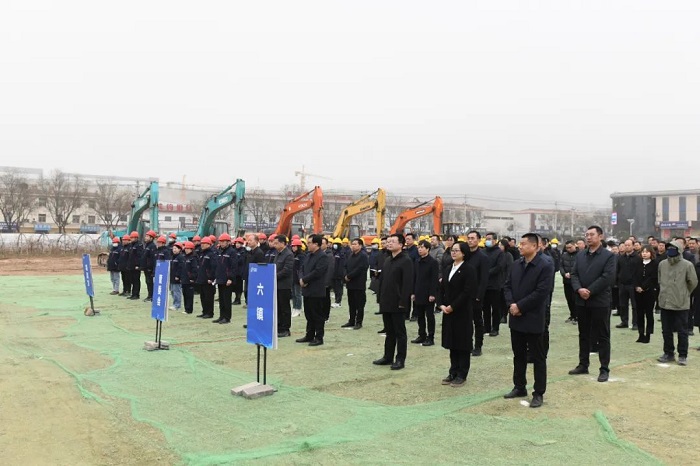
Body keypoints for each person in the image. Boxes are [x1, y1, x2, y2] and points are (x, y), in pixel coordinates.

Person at [503, 233, 554, 408]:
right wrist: (511, 305)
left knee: (538, 357)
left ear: (535, 246)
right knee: (518, 355)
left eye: (524, 244)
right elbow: (507, 286)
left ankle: (538, 392)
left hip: (533, 317)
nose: (520, 246)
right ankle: (519, 386)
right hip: (516, 317)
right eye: (520, 243)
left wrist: (520, 306)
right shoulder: (516, 264)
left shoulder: (545, 265)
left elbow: (541, 292)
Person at [569, 226, 616, 382]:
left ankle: (604, 368)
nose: (588, 237)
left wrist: (590, 290)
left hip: (600, 301)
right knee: (583, 334)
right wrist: (579, 289)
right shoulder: (581, 255)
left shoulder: (609, 256)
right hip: (582, 301)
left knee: (603, 335)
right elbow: (574, 274)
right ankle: (583, 364)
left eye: (592, 235)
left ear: (600, 236)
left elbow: (607, 277)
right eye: (587, 235)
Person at [439, 241, 477, 387]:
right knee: (452, 342)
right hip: (448, 311)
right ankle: (453, 371)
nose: (453, 253)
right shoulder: (449, 268)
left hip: (462, 311)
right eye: (452, 250)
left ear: (464, 253)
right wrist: (441, 304)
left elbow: (467, 292)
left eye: (457, 250)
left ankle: (462, 374)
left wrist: (453, 306)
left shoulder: (469, 269)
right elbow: (442, 288)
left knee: (462, 343)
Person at [373, 234, 413, 370]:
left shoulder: (406, 261)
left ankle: (400, 359)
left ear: (401, 244)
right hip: (386, 301)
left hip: (398, 302)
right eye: (388, 241)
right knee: (389, 331)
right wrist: (380, 298)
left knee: (400, 333)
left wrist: (403, 302)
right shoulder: (388, 260)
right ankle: (387, 357)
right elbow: (383, 281)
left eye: (392, 242)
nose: (389, 243)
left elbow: (407, 283)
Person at [657, 240, 698, 365]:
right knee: (666, 330)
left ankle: (682, 355)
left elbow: (693, 282)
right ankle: (668, 353)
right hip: (665, 302)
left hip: (681, 304)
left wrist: (683, 293)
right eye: (669, 248)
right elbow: (660, 280)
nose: (670, 251)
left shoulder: (687, 265)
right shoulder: (662, 264)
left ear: (679, 250)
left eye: (673, 248)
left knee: (682, 331)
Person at [297, 234, 330, 346]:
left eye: (309, 243)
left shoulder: (322, 256)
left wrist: (305, 279)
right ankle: (309, 335)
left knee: (317, 315)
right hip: (307, 290)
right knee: (309, 314)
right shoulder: (308, 255)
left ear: (316, 244)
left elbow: (318, 272)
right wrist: (301, 278)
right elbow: (302, 268)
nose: (307, 245)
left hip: (316, 290)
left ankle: (319, 337)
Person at [411, 239, 439, 346]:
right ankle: (421, 335)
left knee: (430, 316)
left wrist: (432, 294)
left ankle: (430, 337)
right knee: (420, 315)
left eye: (422, 247)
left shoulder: (433, 262)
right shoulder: (417, 261)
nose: (420, 249)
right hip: (418, 292)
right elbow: (414, 278)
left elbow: (434, 279)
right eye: (418, 247)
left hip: (428, 294)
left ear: (428, 249)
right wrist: (413, 292)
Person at [465, 231, 489, 356]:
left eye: (473, 238)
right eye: (468, 238)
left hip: (476, 295)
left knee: (477, 321)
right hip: (464, 294)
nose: (470, 240)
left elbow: (484, 279)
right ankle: (467, 344)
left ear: (479, 240)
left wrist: (479, 295)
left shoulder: (483, 257)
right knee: (466, 322)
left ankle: (478, 346)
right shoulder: (465, 255)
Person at [342, 238, 369, 330]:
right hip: (350, 284)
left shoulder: (363, 256)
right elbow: (345, 266)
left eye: (355, 244)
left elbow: (361, 268)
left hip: (359, 284)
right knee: (351, 304)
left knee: (359, 304)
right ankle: (351, 320)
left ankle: (359, 322)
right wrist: (345, 275)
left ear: (360, 246)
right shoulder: (350, 255)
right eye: (352, 244)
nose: (353, 246)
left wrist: (349, 276)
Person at [634, 245, 658, 343]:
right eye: (643, 252)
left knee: (649, 313)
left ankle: (648, 334)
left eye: (647, 252)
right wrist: (637, 286)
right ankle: (640, 334)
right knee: (639, 313)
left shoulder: (655, 264)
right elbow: (634, 276)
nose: (644, 254)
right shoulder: (637, 263)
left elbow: (653, 278)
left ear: (651, 253)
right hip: (638, 292)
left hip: (649, 292)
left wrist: (643, 287)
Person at [616, 239, 642, 329]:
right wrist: (618, 281)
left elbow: (639, 272)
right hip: (622, 284)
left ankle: (635, 323)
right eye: (625, 245)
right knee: (623, 304)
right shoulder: (620, 258)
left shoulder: (638, 258)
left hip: (633, 285)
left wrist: (638, 284)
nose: (627, 247)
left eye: (629, 245)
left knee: (635, 305)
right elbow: (617, 270)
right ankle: (624, 321)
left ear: (633, 246)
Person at [273, 235, 294, 337]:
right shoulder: (278, 254)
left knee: (284, 308)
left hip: (284, 286)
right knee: (278, 308)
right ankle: (279, 327)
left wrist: (274, 276)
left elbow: (287, 270)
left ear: (282, 243)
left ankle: (285, 329)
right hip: (277, 285)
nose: (274, 245)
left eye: (276, 243)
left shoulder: (288, 255)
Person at [213, 233, 235, 324]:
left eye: (223, 241)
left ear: (228, 242)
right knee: (221, 299)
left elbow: (233, 266)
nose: (221, 243)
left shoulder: (231, 252)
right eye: (220, 241)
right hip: (220, 278)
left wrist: (230, 278)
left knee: (226, 300)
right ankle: (221, 316)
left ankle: (227, 317)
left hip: (227, 280)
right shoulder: (219, 251)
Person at [195, 237, 217, 319]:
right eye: (202, 243)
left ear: (209, 244)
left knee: (209, 297)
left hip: (208, 279)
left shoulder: (211, 254)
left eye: (204, 244)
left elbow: (213, 266)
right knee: (203, 296)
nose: (202, 245)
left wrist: (211, 277)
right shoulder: (202, 254)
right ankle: (204, 311)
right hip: (202, 278)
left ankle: (209, 313)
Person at [560, 240, 578, 323]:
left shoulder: (580, 255)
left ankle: (577, 316)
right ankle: (572, 315)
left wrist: (572, 274)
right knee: (569, 299)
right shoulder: (564, 255)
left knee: (575, 299)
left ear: (575, 246)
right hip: (566, 281)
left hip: (576, 281)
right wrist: (564, 274)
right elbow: (561, 266)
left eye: (570, 247)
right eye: (567, 248)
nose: (568, 249)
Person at [181, 241, 199, 315]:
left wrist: (192, 278)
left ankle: (189, 309)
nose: (186, 250)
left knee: (189, 295)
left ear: (191, 249)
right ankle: (186, 308)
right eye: (186, 248)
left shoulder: (193, 258)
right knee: (185, 294)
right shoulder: (184, 257)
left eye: (188, 249)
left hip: (190, 280)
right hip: (184, 279)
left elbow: (195, 269)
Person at [140, 230, 157, 302]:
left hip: (149, 268)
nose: (146, 237)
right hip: (146, 267)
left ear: (151, 238)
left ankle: (151, 296)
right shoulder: (147, 245)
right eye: (146, 236)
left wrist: (152, 268)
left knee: (150, 282)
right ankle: (149, 295)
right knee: (148, 282)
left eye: (147, 236)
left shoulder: (152, 246)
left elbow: (153, 258)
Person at [291, 238, 305, 317]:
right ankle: (294, 307)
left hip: (298, 278)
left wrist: (300, 278)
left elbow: (301, 268)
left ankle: (298, 308)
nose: (293, 247)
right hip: (293, 277)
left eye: (294, 246)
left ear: (298, 247)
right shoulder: (294, 255)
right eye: (292, 246)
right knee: (293, 294)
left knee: (298, 294)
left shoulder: (301, 256)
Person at [170, 242, 184, 312]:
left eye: (175, 248)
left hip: (176, 277)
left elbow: (180, 267)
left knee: (176, 291)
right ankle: (174, 303)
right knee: (172, 291)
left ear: (179, 249)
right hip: (172, 277)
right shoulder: (173, 257)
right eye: (173, 248)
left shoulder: (180, 257)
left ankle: (177, 305)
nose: (174, 250)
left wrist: (178, 275)